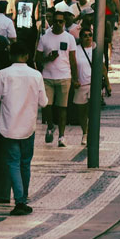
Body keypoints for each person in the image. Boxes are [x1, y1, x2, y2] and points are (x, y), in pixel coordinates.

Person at [0, 40, 48, 216]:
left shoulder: (3, 75)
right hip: (29, 126)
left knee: (13, 162)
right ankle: (23, 198)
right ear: (27, 56)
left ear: (11, 55)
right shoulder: (36, 75)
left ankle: (20, 200)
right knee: (25, 164)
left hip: (9, 127)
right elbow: (44, 102)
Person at [36, 10, 78, 148]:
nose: (59, 24)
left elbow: (73, 60)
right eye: (56, 21)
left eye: (61, 21)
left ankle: (62, 136)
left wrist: (75, 78)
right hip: (48, 76)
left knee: (62, 108)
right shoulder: (45, 38)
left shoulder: (69, 38)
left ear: (64, 22)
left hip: (64, 76)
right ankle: (49, 126)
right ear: (52, 22)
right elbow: (37, 59)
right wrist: (48, 58)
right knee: (46, 106)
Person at [73, 27, 109, 146]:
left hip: (93, 85)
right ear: (81, 38)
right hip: (81, 85)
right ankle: (85, 132)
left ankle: (91, 133)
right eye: (85, 35)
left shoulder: (96, 49)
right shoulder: (76, 50)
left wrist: (108, 84)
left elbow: (102, 67)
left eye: (90, 35)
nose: (88, 38)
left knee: (92, 110)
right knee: (81, 112)